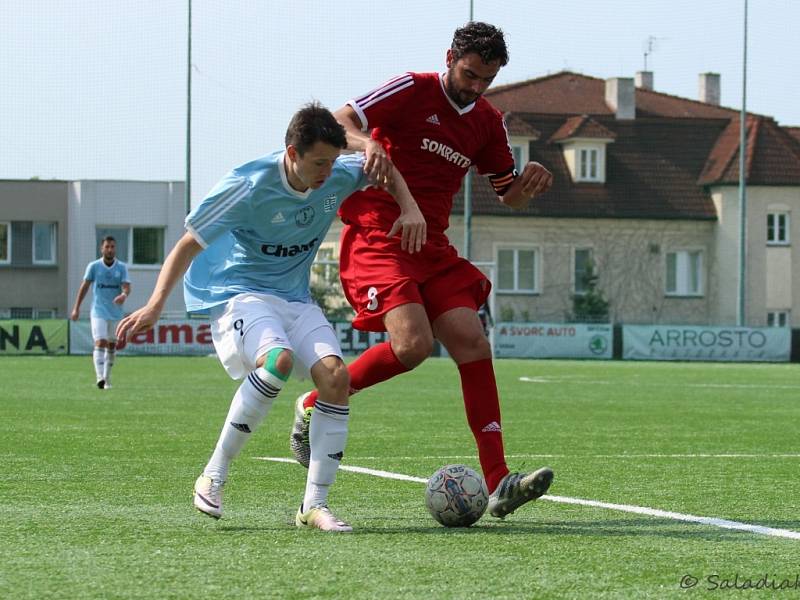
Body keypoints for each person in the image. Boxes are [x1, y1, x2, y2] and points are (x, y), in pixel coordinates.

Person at [116, 103, 425, 532]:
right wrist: (153, 306)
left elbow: (382, 167)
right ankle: (213, 474)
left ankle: (313, 507)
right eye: (319, 162)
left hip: (295, 299)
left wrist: (409, 207)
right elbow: (188, 245)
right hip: (241, 295)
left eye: (332, 161)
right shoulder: (246, 186)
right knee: (276, 361)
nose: (327, 172)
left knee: (336, 379)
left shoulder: (336, 171)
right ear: (292, 152)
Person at [291, 22, 555, 520]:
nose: (476, 87)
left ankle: (499, 481)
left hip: (431, 245)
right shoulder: (411, 89)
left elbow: (509, 194)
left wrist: (529, 185)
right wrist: (364, 143)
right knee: (411, 347)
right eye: (470, 74)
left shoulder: (487, 122)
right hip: (379, 235)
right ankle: (313, 401)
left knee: (473, 341)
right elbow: (335, 120)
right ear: (450, 56)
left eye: (486, 80)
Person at [71, 236, 130, 389]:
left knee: (112, 345)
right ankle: (99, 378)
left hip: (115, 312)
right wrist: (76, 307)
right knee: (100, 341)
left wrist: (123, 295)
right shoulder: (94, 266)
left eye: (112, 247)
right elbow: (84, 287)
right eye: (107, 247)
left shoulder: (121, 267)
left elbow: (126, 286)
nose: (110, 249)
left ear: (115, 249)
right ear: (101, 249)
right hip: (98, 311)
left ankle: (107, 378)